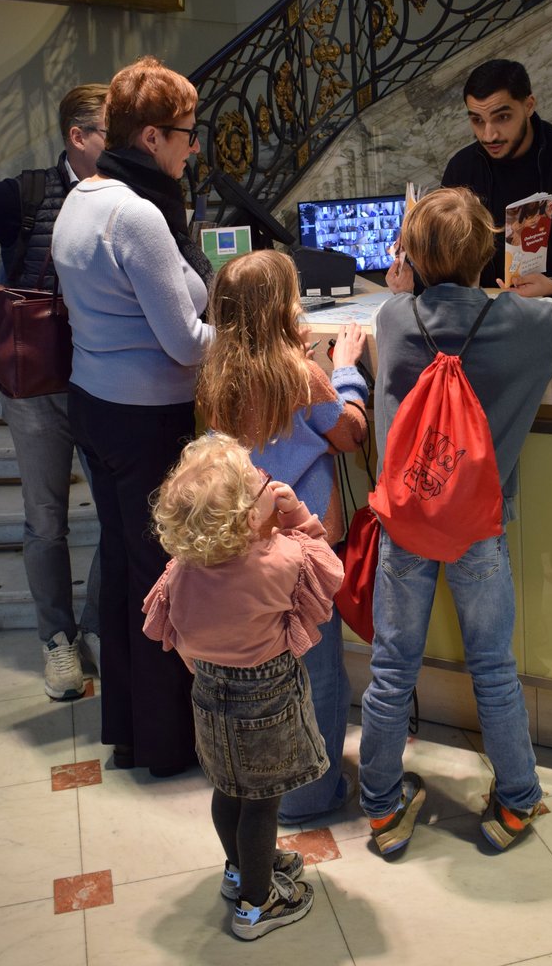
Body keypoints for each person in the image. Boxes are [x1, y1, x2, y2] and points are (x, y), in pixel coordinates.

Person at [360, 186, 552, 856]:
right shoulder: (522, 325)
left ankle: (382, 809)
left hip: (405, 521)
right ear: (488, 252)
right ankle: (517, 801)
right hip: (477, 526)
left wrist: (403, 285)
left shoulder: (393, 317)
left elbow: (399, 313)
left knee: (391, 668)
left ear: (411, 256)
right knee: (494, 666)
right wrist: (524, 292)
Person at [52, 55, 215, 776]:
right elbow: (185, 342)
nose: (193, 148)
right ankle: (165, 744)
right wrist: (247, 336)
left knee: (124, 568)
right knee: (161, 576)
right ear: (151, 137)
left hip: (95, 404)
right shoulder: (139, 215)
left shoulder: (82, 197)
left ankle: (128, 730)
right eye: (186, 133)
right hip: (146, 414)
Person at [0, 84, 108, 700]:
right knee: (46, 520)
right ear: (77, 137)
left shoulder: (128, 194)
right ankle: (57, 641)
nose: (121, 143)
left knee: (122, 512)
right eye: (109, 131)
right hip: (36, 380)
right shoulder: (27, 194)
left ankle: (96, 627)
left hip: (105, 376)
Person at [143, 433, 344, 940]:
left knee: (228, 789)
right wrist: (295, 513)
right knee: (261, 802)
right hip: (267, 699)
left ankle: (239, 869)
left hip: (209, 696)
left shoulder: (181, 573)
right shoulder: (279, 561)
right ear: (249, 519)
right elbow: (329, 567)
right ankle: (257, 904)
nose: (269, 483)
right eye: (260, 485)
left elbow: (176, 635)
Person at [197, 249, 368, 823]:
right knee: (319, 671)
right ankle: (313, 794)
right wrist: (345, 371)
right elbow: (350, 433)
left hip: (247, 547)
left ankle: (272, 784)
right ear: (281, 312)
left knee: (272, 669)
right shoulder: (303, 376)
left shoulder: (217, 378)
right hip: (306, 546)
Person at [441, 59, 552, 297]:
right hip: (483, 308)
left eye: (502, 117)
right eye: (477, 120)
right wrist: (412, 276)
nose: (489, 135)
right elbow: (445, 261)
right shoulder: (462, 168)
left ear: (529, 105)